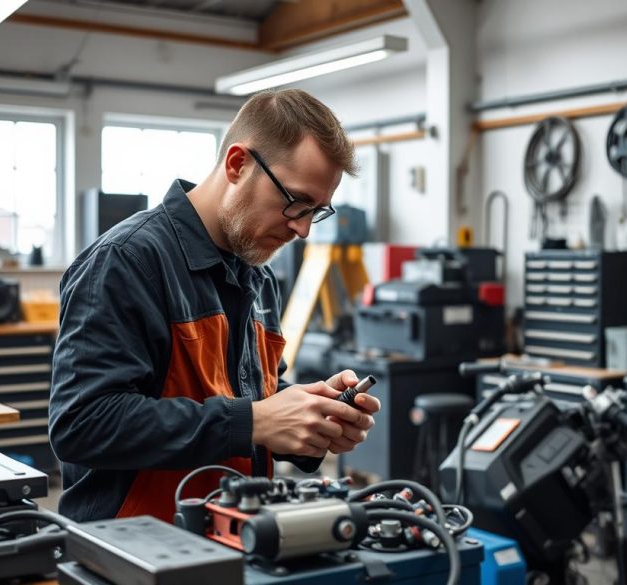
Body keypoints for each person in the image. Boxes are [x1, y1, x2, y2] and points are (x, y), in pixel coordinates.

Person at [49, 89, 381, 523]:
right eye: (295, 202)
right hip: (133, 548)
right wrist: (254, 422)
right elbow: (82, 423)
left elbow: (250, 400)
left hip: (229, 537)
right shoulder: (127, 261)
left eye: (315, 212)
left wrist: (309, 416)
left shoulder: (258, 275)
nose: (301, 229)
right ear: (237, 164)